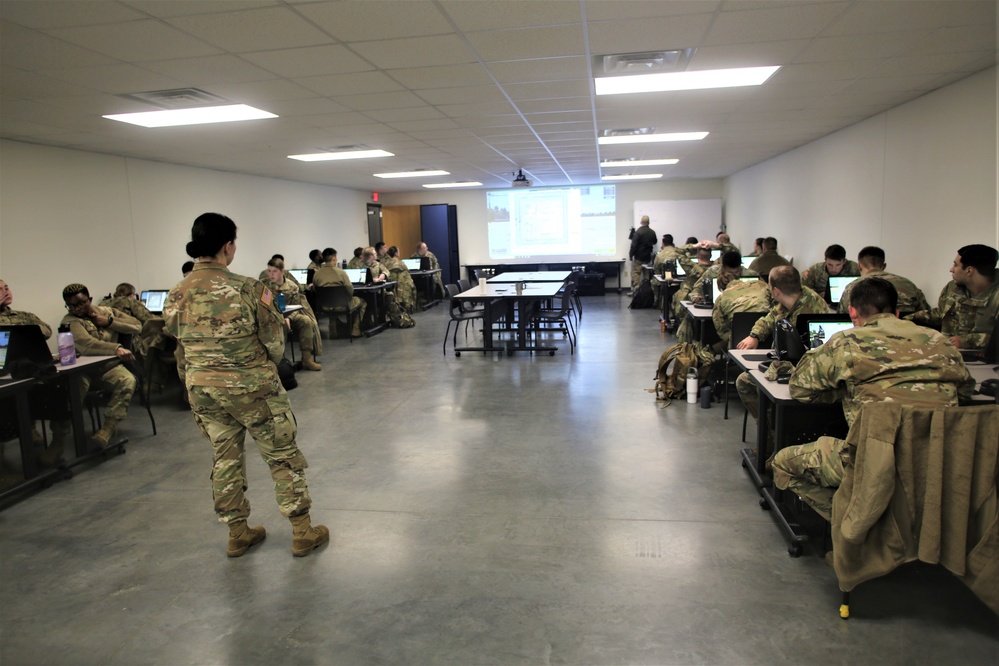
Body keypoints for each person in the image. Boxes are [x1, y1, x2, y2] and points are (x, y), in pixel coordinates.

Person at [164, 212, 328, 558]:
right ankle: (302, 532)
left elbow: (178, 341)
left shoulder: (176, 293)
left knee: (224, 458)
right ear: (228, 246)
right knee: (282, 455)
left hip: (204, 390)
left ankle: (238, 533)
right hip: (252, 388)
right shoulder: (250, 289)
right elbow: (274, 345)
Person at [772, 277, 974, 521]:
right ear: (897, 313)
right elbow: (964, 393)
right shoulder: (940, 341)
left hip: (873, 463)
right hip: (940, 462)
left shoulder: (847, 342)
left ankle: (857, 520)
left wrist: (846, 390)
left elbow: (800, 387)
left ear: (852, 312)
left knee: (781, 462)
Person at [735, 265, 830, 421]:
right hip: (788, 362)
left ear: (776, 291)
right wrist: (755, 335)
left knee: (746, 383)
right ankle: (770, 428)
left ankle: (773, 432)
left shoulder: (812, 310)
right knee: (746, 381)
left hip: (807, 371)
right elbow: (770, 318)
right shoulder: (792, 297)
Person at [60, 283, 140, 448]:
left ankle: (108, 429)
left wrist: (109, 322)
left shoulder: (105, 311)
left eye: (81, 303)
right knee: (75, 389)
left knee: (127, 381)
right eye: (71, 305)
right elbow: (87, 344)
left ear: (89, 299)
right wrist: (115, 348)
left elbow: (137, 326)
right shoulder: (70, 321)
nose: (76, 308)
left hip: (108, 368)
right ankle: (59, 439)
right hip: (84, 371)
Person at [907, 243, 999, 349]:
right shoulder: (952, 288)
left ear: (969, 270)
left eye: (955, 265)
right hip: (947, 355)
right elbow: (940, 314)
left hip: (985, 362)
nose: (951, 269)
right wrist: (904, 319)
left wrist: (967, 341)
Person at [264, 257, 322, 371]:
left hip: (290, 315)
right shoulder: (266, 287)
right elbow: (264, 306)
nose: (271, 275)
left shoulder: (292, 286)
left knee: (306, 321)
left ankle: (306, 359)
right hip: (272, 317)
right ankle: (280, 362)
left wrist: (288, 318)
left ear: (282, 271)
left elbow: (296, 307)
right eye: (269, 271)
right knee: (279, 325)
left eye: (274, 271)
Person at [838, 246, 929, 315]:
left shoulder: (852, 287)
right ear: (884, 266)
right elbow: (924, 313)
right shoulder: (908, 284)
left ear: (859, 266)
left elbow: (842, 316)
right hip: (907, 335)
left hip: (865, 337)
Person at [711, 275, 771, 351]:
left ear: (723, 287)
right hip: (769, 337)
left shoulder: (721, 297)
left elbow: (720, 328)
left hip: (740, 345)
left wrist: (731, 336)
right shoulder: (760, 284)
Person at [689, 251, 757, 303]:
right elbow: (697, 288)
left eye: (736, 273)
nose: (732, 275)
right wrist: (696, 297)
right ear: (722, 267)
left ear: (740, 267)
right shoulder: (712, 271)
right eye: (730, 273)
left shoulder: (750, 274)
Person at [672, 247, 713, 319]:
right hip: (711, 303)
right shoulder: (716, 270)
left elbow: (677, 251)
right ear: (711, 255)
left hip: (690, 300)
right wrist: (716, 245)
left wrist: (695, 245)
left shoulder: (692, 268)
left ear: (697, 256)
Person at [382, 246, 417, 313]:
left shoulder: (385, 263)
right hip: (402, 286)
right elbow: (407, 275)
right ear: (396, 253)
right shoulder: (401, 264)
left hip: (390, 285)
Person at [629, 215, 656, 296]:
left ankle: (636, 291)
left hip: (638, 257)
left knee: (636, 273)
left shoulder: (638, 232)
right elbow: (654, 242)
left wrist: (631, 255)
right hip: (648, 257)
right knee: (646, 274)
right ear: (648, 222)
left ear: (641, 222)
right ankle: (646, 291)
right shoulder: (652, 232)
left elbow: (634, 245)